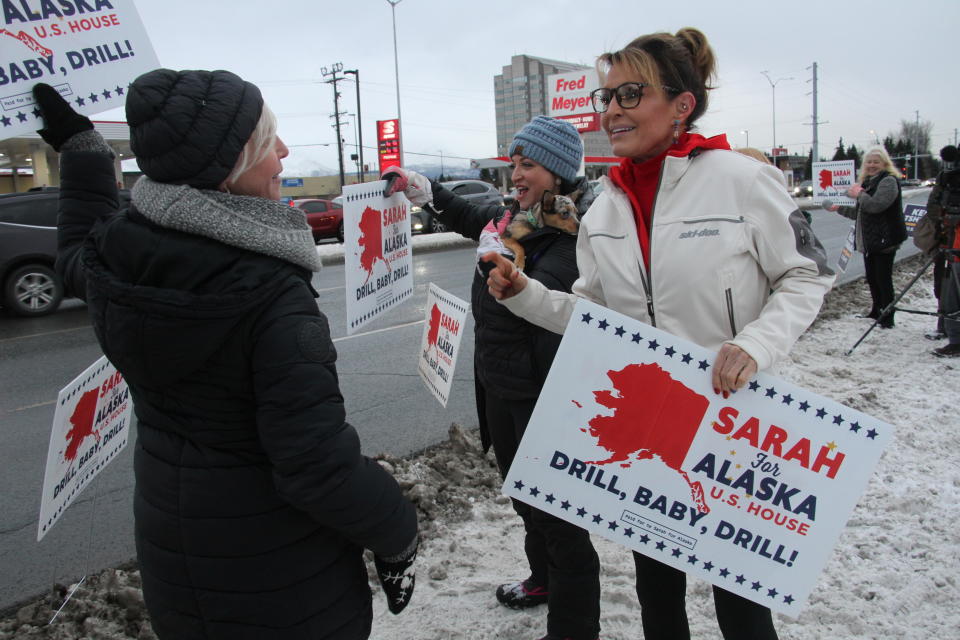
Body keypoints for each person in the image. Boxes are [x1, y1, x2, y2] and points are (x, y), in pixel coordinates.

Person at [32, 72, 418, 640]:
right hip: (283, 584)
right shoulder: (270, 295)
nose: (284, 153)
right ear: (231, 168)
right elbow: (316, 468)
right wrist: (399, 531)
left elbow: (74, 246)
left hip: (177, 562)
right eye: (270, 143)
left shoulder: (114, 256)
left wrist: (82, 148)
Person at [483, 28, 835, 640]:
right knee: (658, 593)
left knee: (742, 606)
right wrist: (526, 296)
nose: (611, 110)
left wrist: (754, 345)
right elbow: (591, 317)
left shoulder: (740, 180)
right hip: (652, 428)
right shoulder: (605, 208)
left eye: (629, 94)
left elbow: (807, 276)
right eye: (606, 96)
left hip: (732, 423)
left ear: (681, 105)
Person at [384, 115, 600, 640]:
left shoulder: (579, 234)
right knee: (525, 498)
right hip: (501, 387)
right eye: (514, 164)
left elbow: (539, 298)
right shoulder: (511, 218)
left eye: (529, 165)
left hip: (545, 395)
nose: (517, 175)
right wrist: (423, 190)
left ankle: (574, 629)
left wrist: (502, 265)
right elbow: (467, 210)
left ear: (559, 172)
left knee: (560, 520)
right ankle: (542, 580)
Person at [824, 146, 908, 328]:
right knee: (872, 277)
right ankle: (876, 310)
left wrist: (859, 194)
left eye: (876, 162)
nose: (872, 165)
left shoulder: (888, 182)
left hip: (885, 239)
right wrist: (838, 208)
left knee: (883, 278)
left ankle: (887, 316)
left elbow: (875, 205)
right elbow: (860, 212)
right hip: (870, 240)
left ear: (884, 163)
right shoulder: (869, 182)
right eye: (869, 162)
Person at [923, 145, 960, 357]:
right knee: (946, 291)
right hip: (948, 241)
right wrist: (942, 220)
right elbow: (933, 204)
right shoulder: (946, 177)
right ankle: (952, 336)